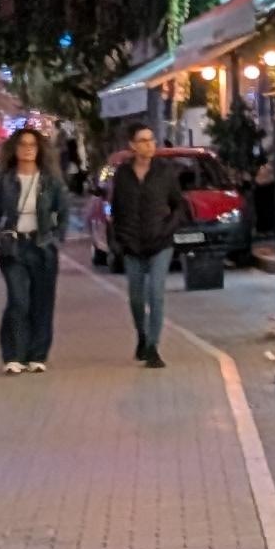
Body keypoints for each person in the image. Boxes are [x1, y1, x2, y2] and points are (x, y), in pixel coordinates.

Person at [104, 122, 187, 368]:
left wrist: (168, 227)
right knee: (136, 297)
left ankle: (153, 346)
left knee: (156, 293)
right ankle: (141, 335)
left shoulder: (165, 171)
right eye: (143, 140)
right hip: (132, 244)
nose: (149, 145)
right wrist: (119, 238)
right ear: (132, 145)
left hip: (160, 241)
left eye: (151, 140)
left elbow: (179, 205)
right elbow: (116, 208)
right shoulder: (123, 175)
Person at [0, 122, 70, 372]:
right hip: (14, 248)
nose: (27, 149)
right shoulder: (6, 182)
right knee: (18, 300)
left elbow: (63, 212)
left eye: (32, 145)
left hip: (42, 246)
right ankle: (13, 355)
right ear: (14, 149)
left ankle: (37, 355)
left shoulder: (50, 182)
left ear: (39, 149)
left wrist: (56, 237)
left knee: (42, 302)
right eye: (22, 145)